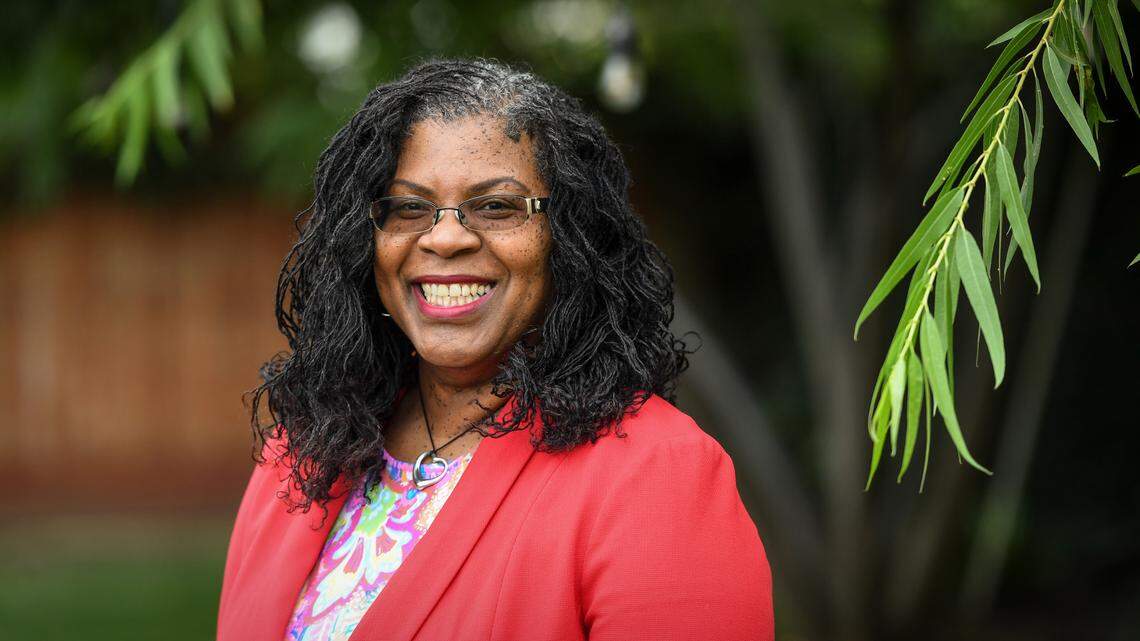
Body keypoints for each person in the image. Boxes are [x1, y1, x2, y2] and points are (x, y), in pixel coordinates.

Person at [217, 57, 773, 641]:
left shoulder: (655, 475)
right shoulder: (307, 449)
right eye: (409, 208)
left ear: (571, 239)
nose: (446, 236)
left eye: (497, 206)